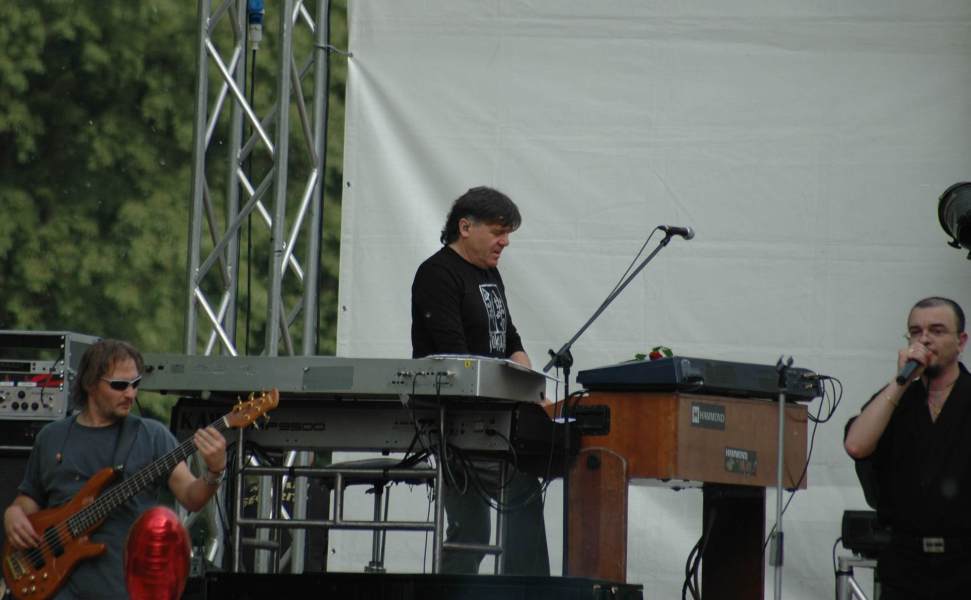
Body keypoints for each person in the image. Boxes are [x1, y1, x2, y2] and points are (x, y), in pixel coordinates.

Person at [3, 339, 227, 600]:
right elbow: (29, 499)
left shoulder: (152, 435)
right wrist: (13, 514)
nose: (130, 394)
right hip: (54, 586)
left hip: (121, 588)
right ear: (90, 383)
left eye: (135, 384)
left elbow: (191, 497)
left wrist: (214, 471)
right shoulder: (51, 436)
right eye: (119, 385)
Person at [411, 186, 549, 576]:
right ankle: (528, 589)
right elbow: (456, 360)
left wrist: (531, 386)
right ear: (465, 227)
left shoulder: (489, 273)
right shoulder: (437, 274)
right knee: (519, 491)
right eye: (498, 232)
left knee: (472, 528)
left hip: (490, 417)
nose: (505, 242)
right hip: (456, 420)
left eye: (507, 234)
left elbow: (510, 338)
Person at [844, 297, 971, 599]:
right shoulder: (895, 400)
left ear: (961, 341)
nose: (924, 339)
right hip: (905, 564)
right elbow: (856, 445)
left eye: (937, 330)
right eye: (915, 332)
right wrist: (901, 382)